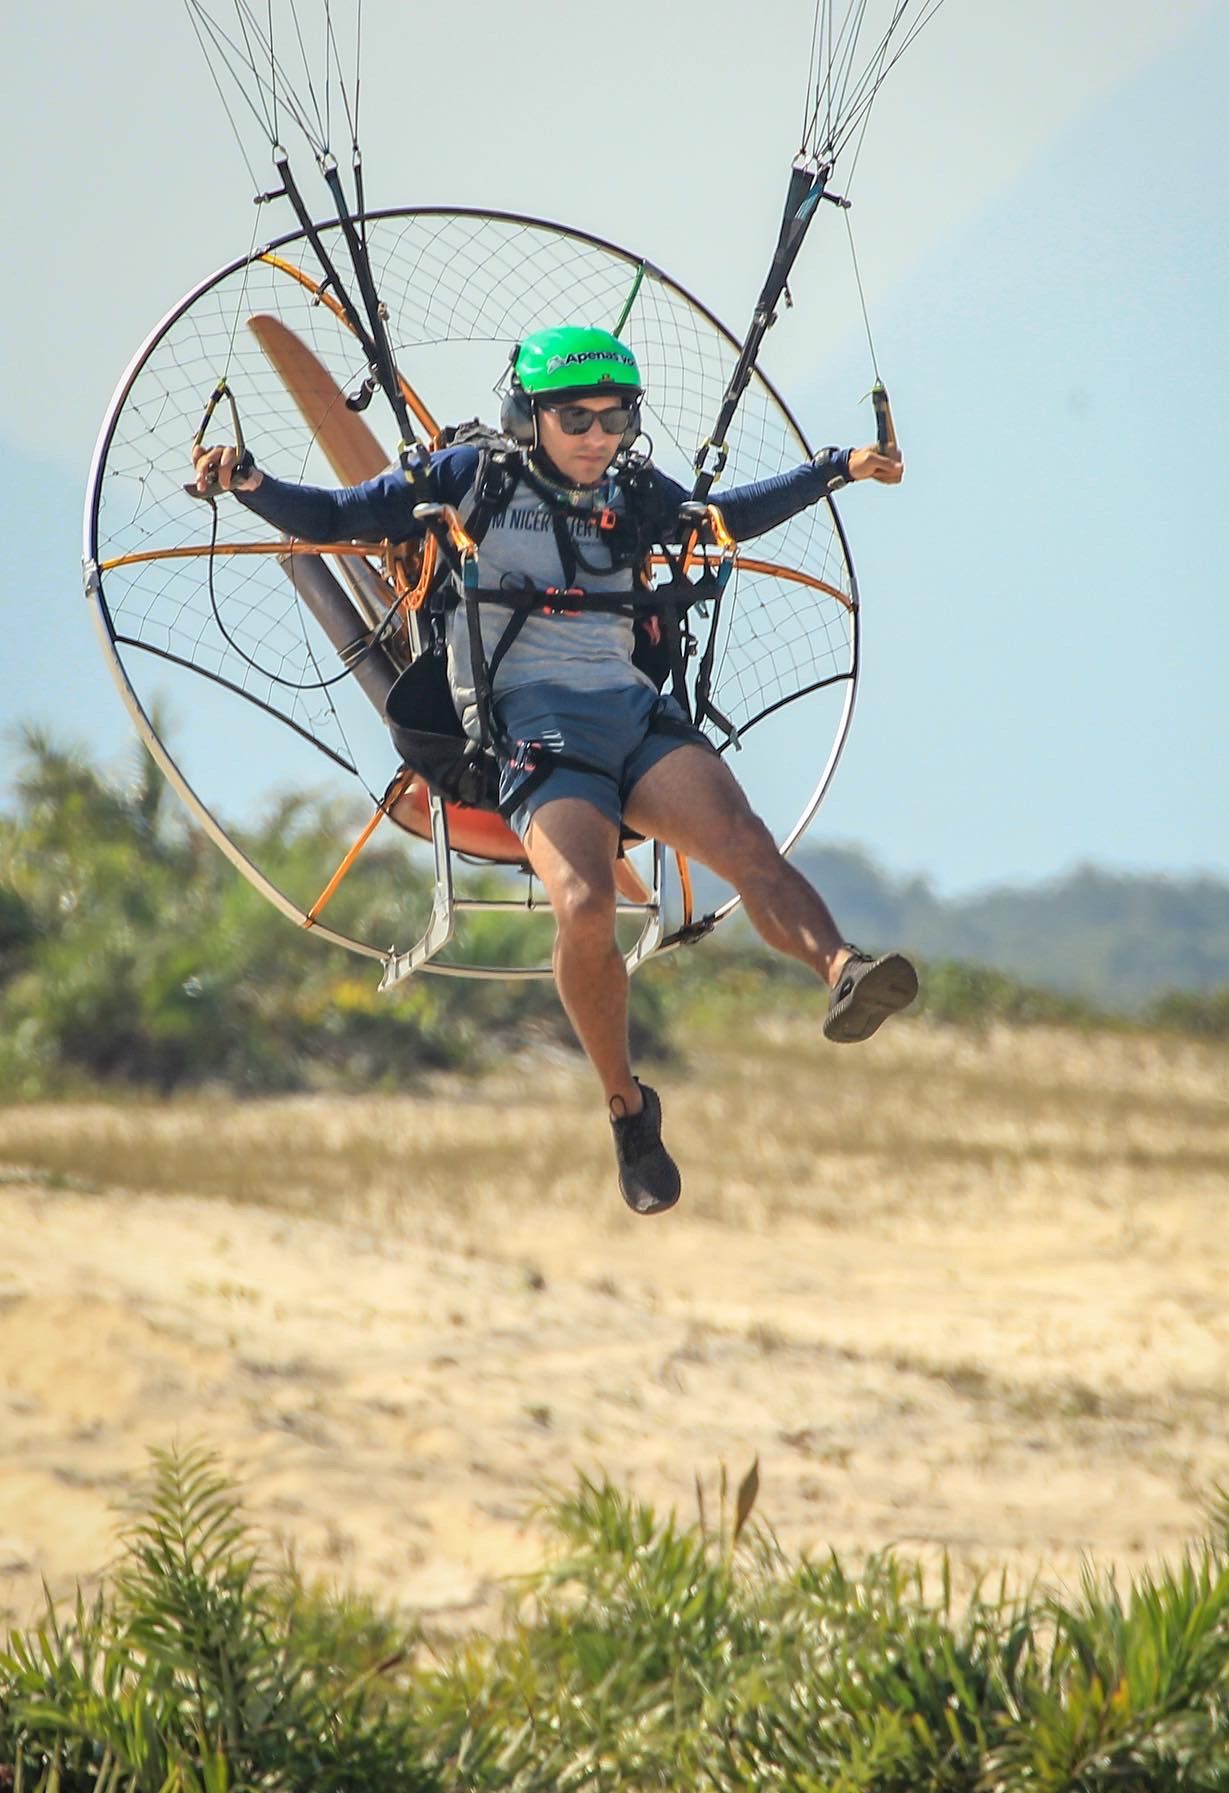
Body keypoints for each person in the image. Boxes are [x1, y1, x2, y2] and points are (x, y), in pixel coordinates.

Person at [191, 325, 918, 1215]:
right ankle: (628, 1110)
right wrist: (250, 482)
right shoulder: (471, 478)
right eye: (577, 418)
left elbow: (722, 517)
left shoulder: (630, 490)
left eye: (617, 419)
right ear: (528, 415)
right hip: (533, 729)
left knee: (742, 840)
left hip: (631, 715)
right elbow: (340, 519)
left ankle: (843, 971)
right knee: (584, 904)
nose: (598, 437)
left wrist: (839, 466)